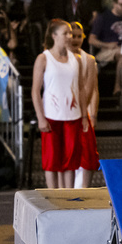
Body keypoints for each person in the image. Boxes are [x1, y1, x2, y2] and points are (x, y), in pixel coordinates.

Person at [32, 20, 85, 189]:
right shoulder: (43, 58)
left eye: (70, 33)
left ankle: (68, 195)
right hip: (52, 116)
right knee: (52, 160)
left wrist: (84, 115)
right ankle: (52, 195)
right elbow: (35, 91)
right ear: (54, 36)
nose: (69, 37)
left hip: (72, 115)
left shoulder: (76, 59)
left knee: (70, 160)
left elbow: (81, 89)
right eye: (65, 33)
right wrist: (41, 117)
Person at [67, 23, 100, 189]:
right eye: (73, 35)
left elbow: (94, 90)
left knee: (87, 154)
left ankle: (84, 190)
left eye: (79, 36)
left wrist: (92, 114)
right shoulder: (61, 58)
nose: (76, 39)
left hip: (84, 113)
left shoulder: (89, 59)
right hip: (66, 111)